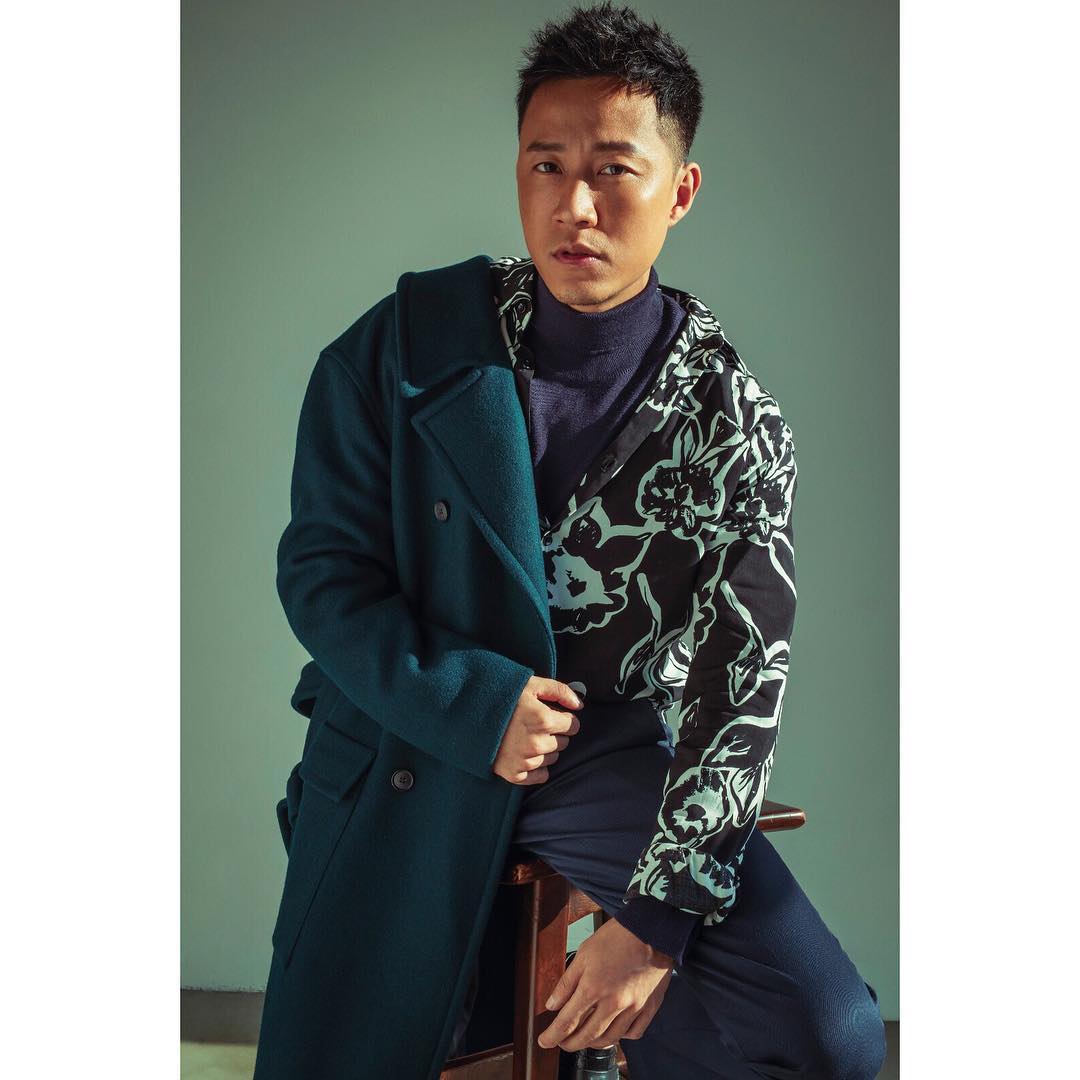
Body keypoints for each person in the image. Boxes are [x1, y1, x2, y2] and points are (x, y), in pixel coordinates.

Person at [255, 4, 887, 1078]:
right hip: (409, 735)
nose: (574, 205)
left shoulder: (731, 422)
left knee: (827, 1036)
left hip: (600, 757)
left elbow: (741, 685)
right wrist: (474, 704)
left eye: (613, 171)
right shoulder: (406, 346)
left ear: (680, 191)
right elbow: (322, 573)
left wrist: (655, 926)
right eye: (545, 165)